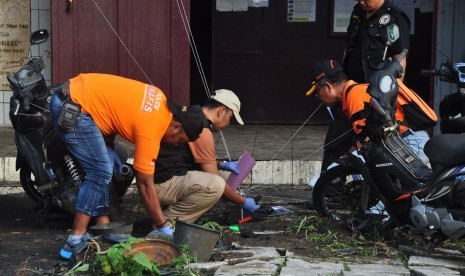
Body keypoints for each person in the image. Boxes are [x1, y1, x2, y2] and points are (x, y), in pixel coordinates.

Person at [49, 73, 205, 259]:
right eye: (179, 141)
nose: (175, 144)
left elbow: (115, 107)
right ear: (176, 127)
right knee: (100, 171)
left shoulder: (159, 98)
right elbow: (145, 185)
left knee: (103, 168)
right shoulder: (152, 130)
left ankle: (103, 227)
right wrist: (163, 225)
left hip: (76, 92)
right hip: (73, 108)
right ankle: (75, 238)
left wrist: (108, 144)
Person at [322, 0, 411, 171]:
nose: (361, 2)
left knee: (373, 149)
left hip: (375, 99)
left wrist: (391, 100)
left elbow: (400, 60)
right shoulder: (358, 12)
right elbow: (349, 47)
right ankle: (330, 193)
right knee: (335, 143)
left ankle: (371, 194)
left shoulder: (395, 17)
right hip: (350, 93)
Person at [150, 89, 260, 226]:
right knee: (216, 185)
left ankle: (164, 213)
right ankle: (166, 225)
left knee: (224, 178)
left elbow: (194, 159)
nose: (228, 124)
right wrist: (242, 202)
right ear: (221, 111)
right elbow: (213, 176)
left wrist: (222, 165)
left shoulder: (191, 115)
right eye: (230, 118)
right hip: (158, 184)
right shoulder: (201, 129)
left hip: (157, 176)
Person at [306, 59, 429, 164]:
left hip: (411, 144)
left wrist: (344, 160)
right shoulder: (354, 92)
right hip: (404, 143)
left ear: (327, 87)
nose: (319, 98)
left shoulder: (354, 96)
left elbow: (365, 140)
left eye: (317, 93)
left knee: (358, 168)